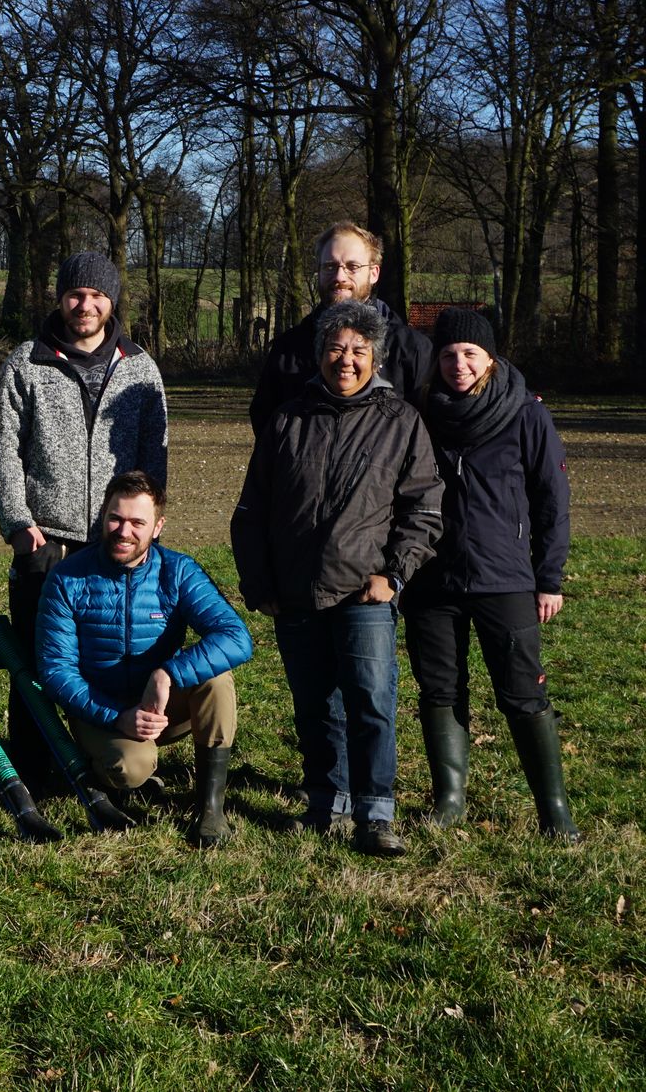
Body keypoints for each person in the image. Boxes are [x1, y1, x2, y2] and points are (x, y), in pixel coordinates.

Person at [233, 300, 444, 857]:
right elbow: (251, 510)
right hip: (295, 592)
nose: (345, 360)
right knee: (314, 705)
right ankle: (327, 801)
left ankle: (376, 813)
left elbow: (423, 510)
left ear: (375, 356)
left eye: (358, 350)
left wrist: (393, 576)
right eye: (335, 348)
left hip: (363, 592)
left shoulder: (401, 422)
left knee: (371, 703)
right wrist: (260, 584)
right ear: (319, 353)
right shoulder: (288, 419)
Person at [0, 250, 168, 777]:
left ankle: (107, 754)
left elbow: (154, 458)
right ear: (60, 297)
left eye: (96, 295)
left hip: (117, 542)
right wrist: (17, 523)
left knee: (110, 655)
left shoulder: (139, 368)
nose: (85, 305)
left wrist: (146, 529)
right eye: (75, 294)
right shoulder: (27, 361)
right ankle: (33, 768)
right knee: (36, 662)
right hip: (48, 543)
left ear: (111, 300)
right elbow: (4, 449)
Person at [405, 309, 578, 839]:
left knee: (523, 693)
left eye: (470, 354)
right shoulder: (418, 415)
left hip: (505, 578)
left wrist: (549, 578)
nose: (459, 364)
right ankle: (449, 800)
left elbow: (553, 500)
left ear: (491, 359)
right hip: (431, 579)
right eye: (449, 354)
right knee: (439, 689)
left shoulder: (526, 416)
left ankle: (554, 813)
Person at [36, 472, 253, 846]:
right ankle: (115, 768)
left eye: (138, 522)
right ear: (102, 516)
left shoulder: (178, 571)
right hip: (101, 708)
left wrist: (168, 673)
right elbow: (56, 671)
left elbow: (236, 638)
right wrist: (116, 716)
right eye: (115, 518)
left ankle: (210, 807)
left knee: (217, 679)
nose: (124, 531)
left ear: (157, 527)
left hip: (162, 705)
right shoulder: (67, 578)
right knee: (129, 769)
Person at [249, 220, 433, 436]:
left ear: (374, 273)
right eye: (330, 266)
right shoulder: (289, 348)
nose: (339, 277)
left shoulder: (411, 349)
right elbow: (266, 426)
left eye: (352, 267)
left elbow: (425, 433)